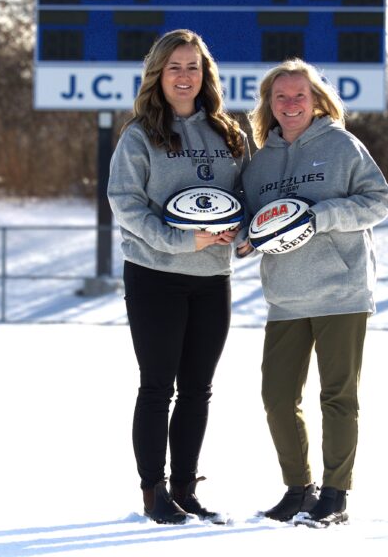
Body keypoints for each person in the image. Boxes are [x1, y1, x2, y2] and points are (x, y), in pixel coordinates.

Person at [237, 58, 388, 526]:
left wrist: (320, 215)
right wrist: (245, 236)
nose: (289, 104)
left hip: (340, 290)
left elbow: (378, 202)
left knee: (337, 397)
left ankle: (335, 495)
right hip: (284, 295)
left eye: (298, 95)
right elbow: (253, 220)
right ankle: (298, 489)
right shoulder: (260, 162)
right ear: (269, 104)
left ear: (316, 99)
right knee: (277, 397)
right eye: (280, 97)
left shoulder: (342, 146)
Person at [107, 29, 249, 525]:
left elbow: (244, 199)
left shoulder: (230, 133)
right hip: (155, 276)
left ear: (205, 75)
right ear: (158, 76)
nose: (184, 76)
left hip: (213, 277)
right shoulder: (139, 134)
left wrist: (247, 232)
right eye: (175, 67)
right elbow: (125, 205)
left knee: (197, 389)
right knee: (156, 387)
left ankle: (186, 489)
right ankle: (154, 493)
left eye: (193, 67)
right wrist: (180, 241)